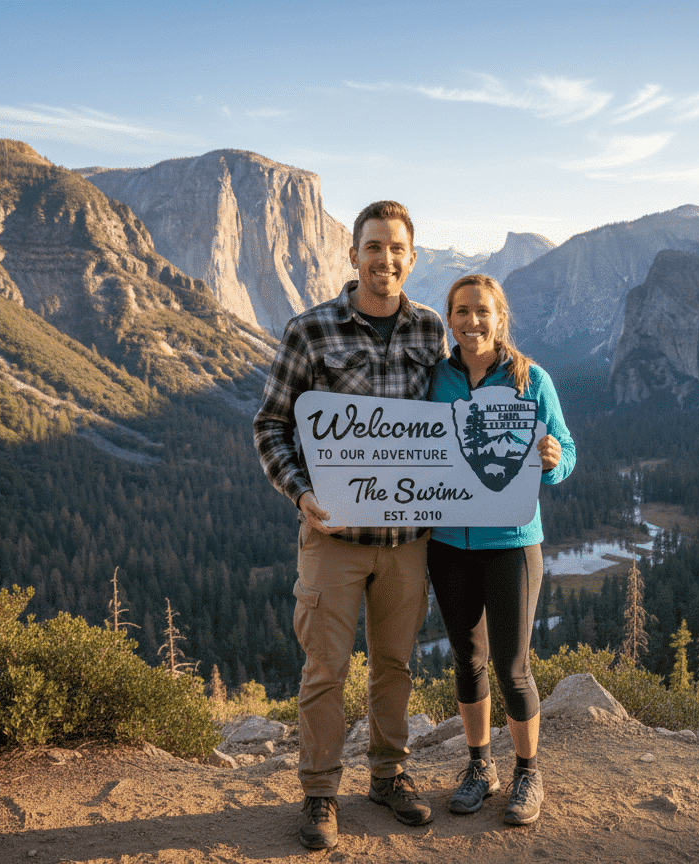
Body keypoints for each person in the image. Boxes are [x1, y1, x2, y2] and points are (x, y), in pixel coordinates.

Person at [253, 201, 448, 850]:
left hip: (405, 542)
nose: (384, 259)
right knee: (325, 669)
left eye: (397, 248)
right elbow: (272, 427)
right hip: (332, 537)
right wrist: (299, 492)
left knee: (395, 663)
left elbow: (448, 427)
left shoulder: (430, 331)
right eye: (373, 247)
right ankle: (319, 794)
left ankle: (390, 777)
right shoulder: (309, 332)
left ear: (411, 258)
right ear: (352, 254)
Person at [426, 273, 575, 826]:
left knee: (512, 667)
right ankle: (479, 766)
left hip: (512, 543)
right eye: (460, 311)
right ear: (449, 318)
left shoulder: (531, 379)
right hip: (447, 543)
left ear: (499, 316)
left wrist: (557, 459)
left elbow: (568, 450)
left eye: (481, 311)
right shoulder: (435, 380)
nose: (471, 322)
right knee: (467, 660)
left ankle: (528, 772)